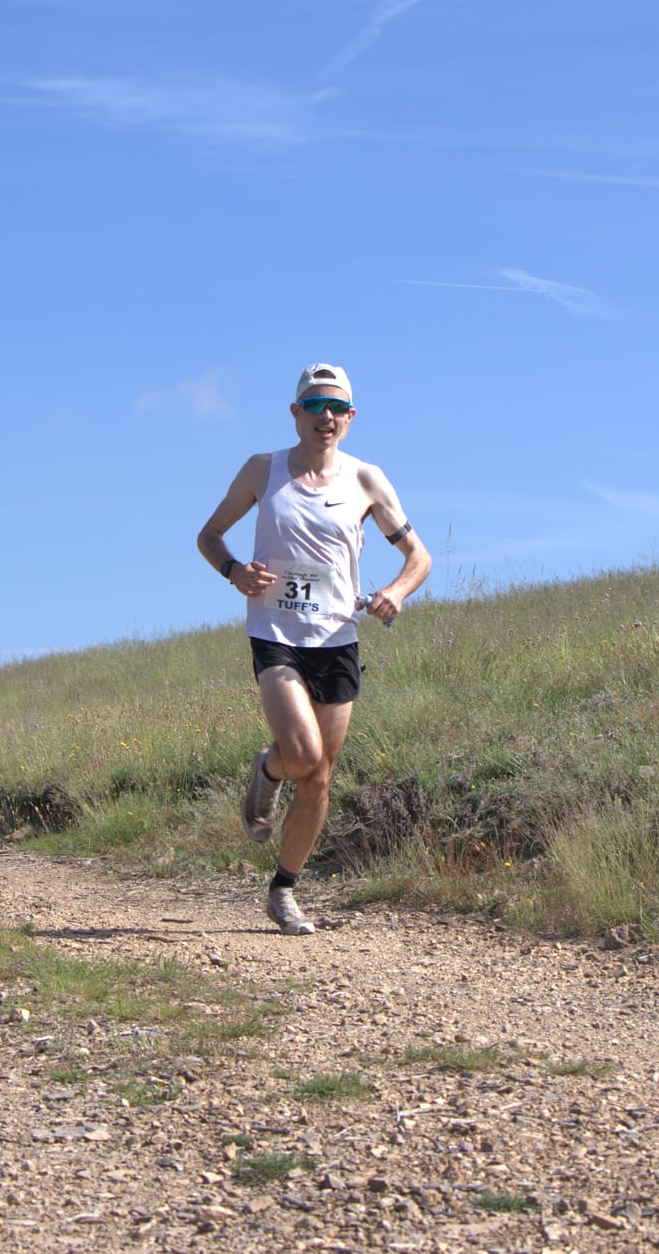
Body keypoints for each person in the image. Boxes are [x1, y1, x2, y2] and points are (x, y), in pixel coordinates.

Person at [195, 363, 431, 935]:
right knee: (301, 755)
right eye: (316, 406)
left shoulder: (367, 480)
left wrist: (396, 593)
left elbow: (419, 558)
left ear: (351, 417)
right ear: (296, 413)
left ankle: (283, 891)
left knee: (321, 775)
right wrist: (233, 571)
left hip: (336, 639)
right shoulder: (263, 469)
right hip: (275, 634)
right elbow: (209, 536)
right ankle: (268, 770)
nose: (327, 416)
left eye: (337, 408)